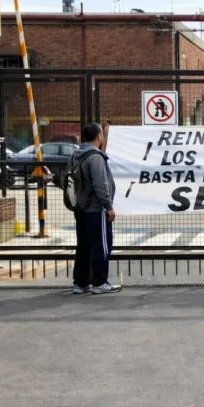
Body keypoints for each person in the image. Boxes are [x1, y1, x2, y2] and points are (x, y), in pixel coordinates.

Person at [72, 122, 121, 294]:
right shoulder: (96, 158)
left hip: (81, 208)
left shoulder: (77, 155)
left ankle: (80, 282)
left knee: (83, 246)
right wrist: (108, 206)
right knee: (101, 245)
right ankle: (100, 281)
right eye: (102, 134)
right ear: (98, 137)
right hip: (96, 209)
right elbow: (101, 184)